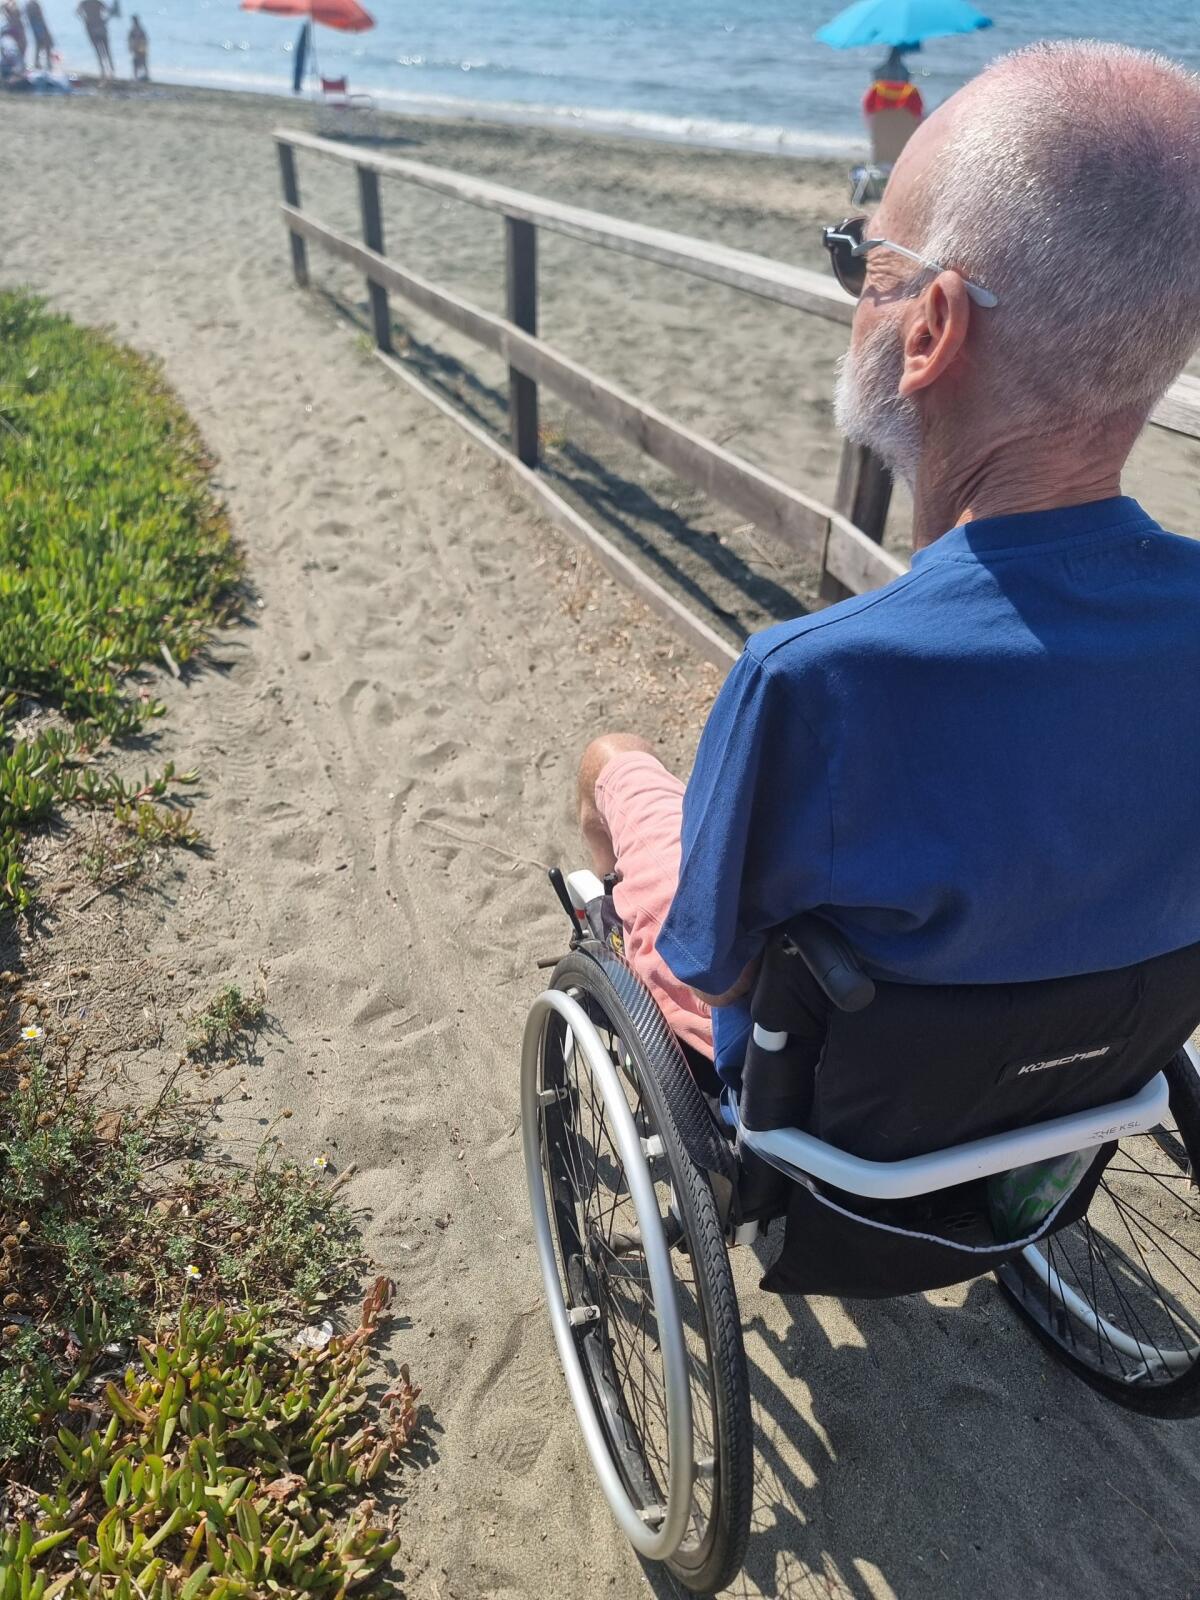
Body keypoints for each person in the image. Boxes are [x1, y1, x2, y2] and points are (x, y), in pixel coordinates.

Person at [576, 41, 1200, 1086]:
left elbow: (719, 971)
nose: (853, 296)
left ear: (931, 331)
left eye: (865, 268)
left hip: (836, 1123)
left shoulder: (813, 677)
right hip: (1085, 1062)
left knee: (615, 763)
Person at [77, 0, 114, 79]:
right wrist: (106, 20)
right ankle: (111, 69)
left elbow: (77, 12)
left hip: (91, 27)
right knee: (107, 50)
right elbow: (110, 11)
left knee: (98, 50)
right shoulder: (98, 2)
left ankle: (103, 70)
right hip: (100, 25)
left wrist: (84, 19)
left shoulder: (84, 3)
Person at [25, 0, 52, 69]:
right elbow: (38, 17)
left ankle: (39, 63)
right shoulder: (31, 5)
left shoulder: (31, 4)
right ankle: (45, 63)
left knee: (40, 45)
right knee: (45, 44)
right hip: (38, 26)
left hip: (38, 26)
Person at [1, 0, 25, 67]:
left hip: (16, 29)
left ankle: (19, 66)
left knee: (21, 48)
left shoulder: (10, 4)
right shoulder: (10, 5)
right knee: (20, 48)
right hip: (15, 29)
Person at [128, 13, 147, 80]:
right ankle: (137, 76)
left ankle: (142, 75)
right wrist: (130, 47)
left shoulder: (137, 29)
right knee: (137, 62)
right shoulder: (136, 29)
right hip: (138, 47)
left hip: (140, 47)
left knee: (141, 62)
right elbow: (130, 38)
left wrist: (131, 46)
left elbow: (143, 39)